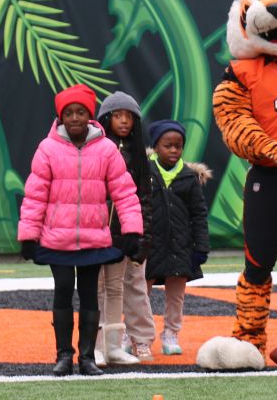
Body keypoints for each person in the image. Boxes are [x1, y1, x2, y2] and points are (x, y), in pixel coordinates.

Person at [18, 84, 144, 376]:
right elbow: (35, 195)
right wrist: (28, 235)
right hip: (56, 240)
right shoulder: (47, 149)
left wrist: (132, 232)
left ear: (90, 116)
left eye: (81, 112)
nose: (75, 118)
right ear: (60, 117)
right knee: (62, 292)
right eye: (69, 113)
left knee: (89, 295)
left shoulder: (106, 149)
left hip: (93, 239)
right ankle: (64, 356)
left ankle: (87, 357)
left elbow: (125, 193)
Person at [94, 91, 153, 365]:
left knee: (133, 286)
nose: (124, 122)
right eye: (117, 116)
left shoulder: (140, 157)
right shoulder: (95, 150)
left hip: (129, 235)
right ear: (106, 119)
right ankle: (97, 345)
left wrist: (142, 236)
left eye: (129, 117)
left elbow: (145, 199)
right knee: (98, 288)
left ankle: (140, 340)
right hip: (99, 234)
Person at [143, 120, 211, 356]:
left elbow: (199, 214)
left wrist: (200, 247)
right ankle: (138, 335)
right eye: (167, 146)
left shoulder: (189, 177)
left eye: (178, 146)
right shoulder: (143, 171)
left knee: (176, 295)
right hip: (148, 246)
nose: (174, 150)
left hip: (180, 247)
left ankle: (171, 334)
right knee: (141, 293)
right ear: (156, 146)